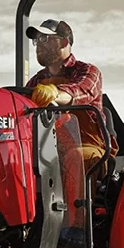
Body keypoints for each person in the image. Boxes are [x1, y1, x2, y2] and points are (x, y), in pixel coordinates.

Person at [25, 19, 118, 174]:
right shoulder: (35, 82)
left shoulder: (88, 71)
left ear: (64, 42)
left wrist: (55, 93)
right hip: (45, 151)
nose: (38, 45)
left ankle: (78, 200)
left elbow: (81, 90)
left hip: (88, 147)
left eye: (44, 38)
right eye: (36, 40)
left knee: (76, 157)